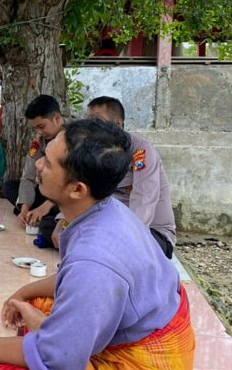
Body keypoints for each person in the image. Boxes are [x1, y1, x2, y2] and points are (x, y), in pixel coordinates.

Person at [0, 119, 195, 370]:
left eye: (48, 162)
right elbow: (76, 280)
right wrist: (26, 292)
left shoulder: (94, 261)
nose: (39, 165)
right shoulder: (106, 208)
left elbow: (59, 359)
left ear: (77, 190)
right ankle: (52, 329)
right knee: (43, 305)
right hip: (143, 320)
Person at [51, 96, 176, 258]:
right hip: (110, 224)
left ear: (118, 124)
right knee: (54, 231)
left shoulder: (140, 151)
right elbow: (85, 190)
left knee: (100, 247)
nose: (93, 127)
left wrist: (115, 239)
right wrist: (64, 221)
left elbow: (144, 201)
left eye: (98, 121)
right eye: (90, 121)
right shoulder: (98, 153)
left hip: (148, 233)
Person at [1, 95, 64, 242]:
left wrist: (46, 206)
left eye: (41, 126)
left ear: (57, 119)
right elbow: (28, 177)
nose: (39, 132)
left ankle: (46, 213)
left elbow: (77, 181)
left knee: (49, 227)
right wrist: (25, 207)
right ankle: (33, 213)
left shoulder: (75, 137)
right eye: (35, 128)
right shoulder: (38, 142)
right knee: (9, 187)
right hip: (46, 190)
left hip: (66, 195)